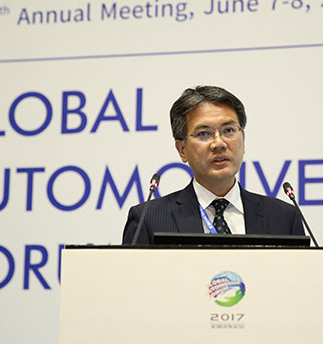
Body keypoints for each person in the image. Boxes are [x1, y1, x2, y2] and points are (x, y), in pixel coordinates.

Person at [122, 85, 305, 244]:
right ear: (182, 149)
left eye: (229, 130)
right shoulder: (148, 221)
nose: (219, 143)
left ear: (243, 140)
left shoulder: (284, 218)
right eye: (204, 133)